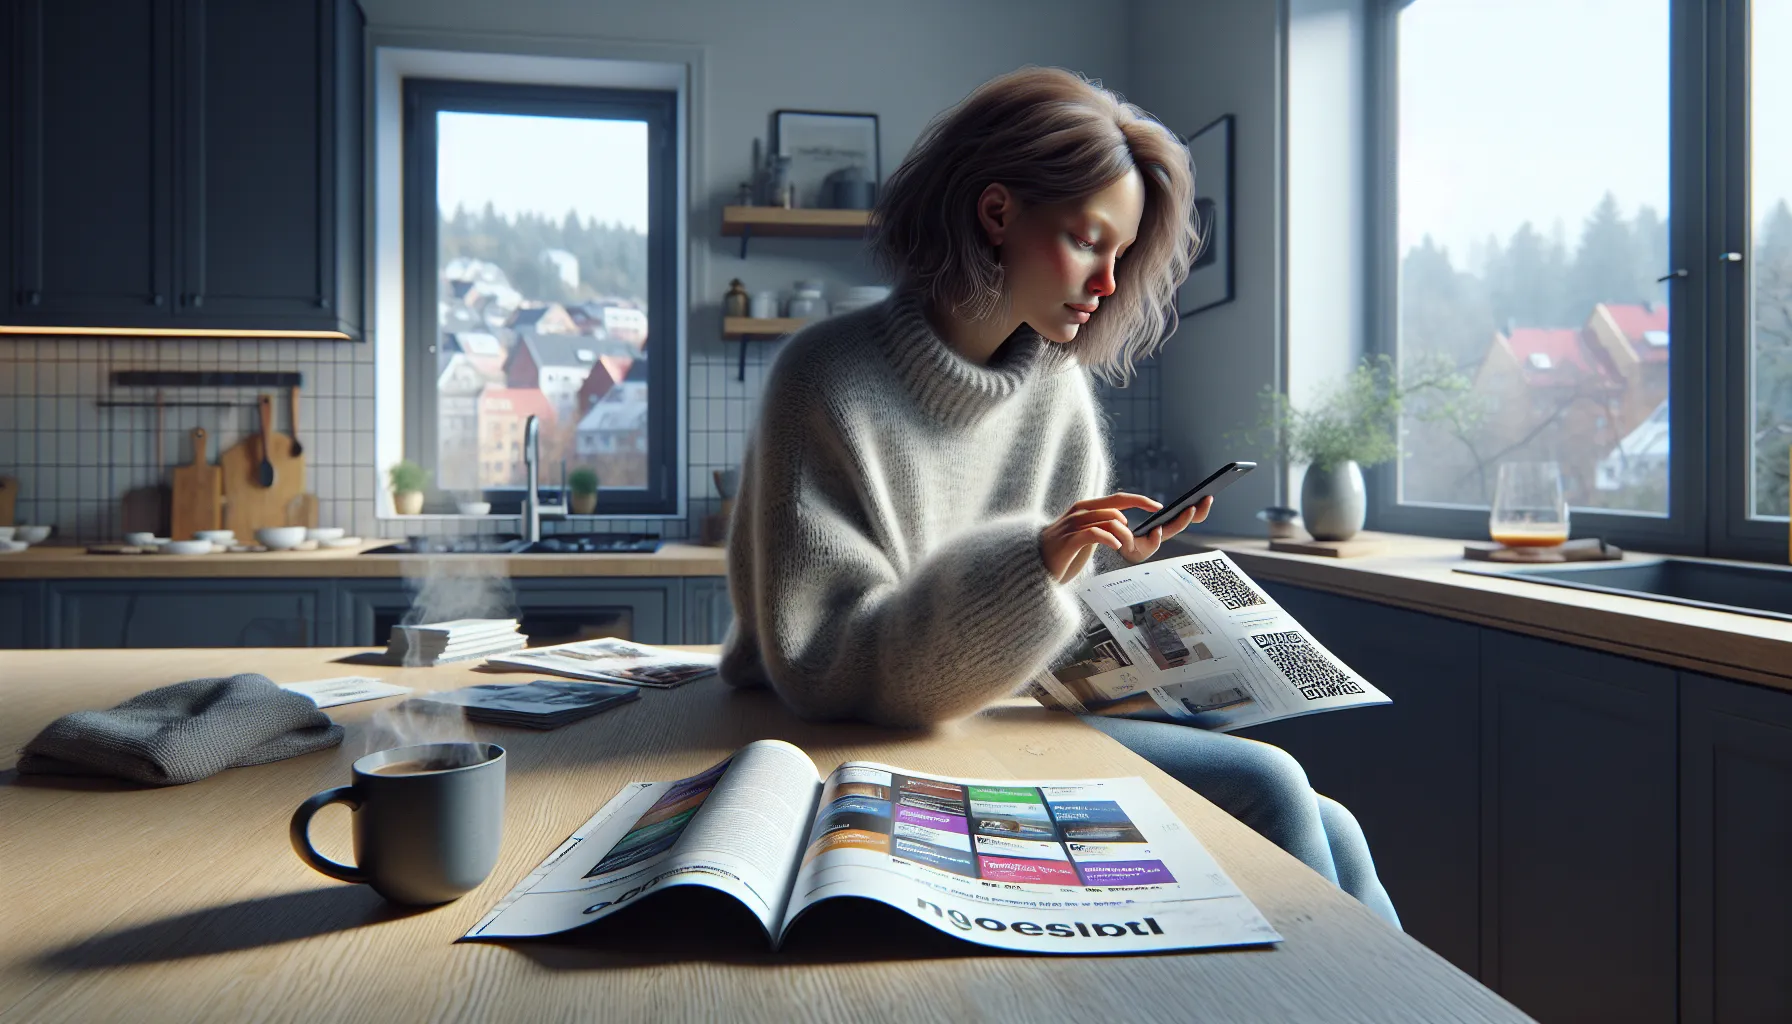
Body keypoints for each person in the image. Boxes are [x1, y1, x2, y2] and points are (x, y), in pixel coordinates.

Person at [720, 65, 1400, 929]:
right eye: (1088, 241)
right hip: (858, 741)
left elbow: (1040, 633)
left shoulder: (1057, 394)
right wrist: (1035, 563)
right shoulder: (826, 380)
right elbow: (823, 667)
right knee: (1273, 785)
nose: (1109, 283)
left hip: (995, 716)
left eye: (1121, 254)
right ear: (997, 213)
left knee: (1331, 824)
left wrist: (1101, 570)